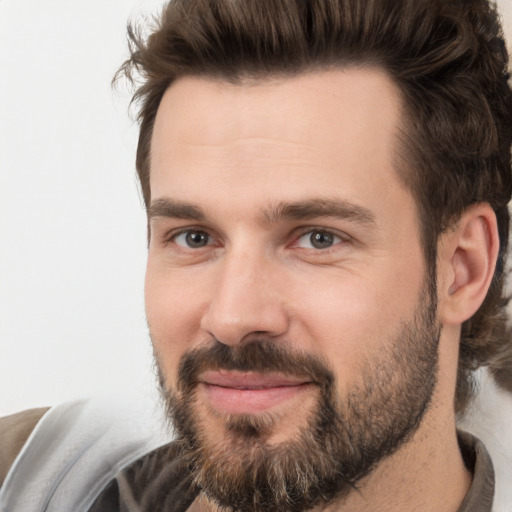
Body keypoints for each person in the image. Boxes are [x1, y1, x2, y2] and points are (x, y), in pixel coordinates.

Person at [1, 0, 512, 511]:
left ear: (462, 269)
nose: (232, 318)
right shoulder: (28, 478)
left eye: (317, 238)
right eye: (194, 238)